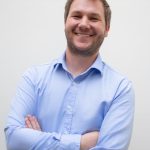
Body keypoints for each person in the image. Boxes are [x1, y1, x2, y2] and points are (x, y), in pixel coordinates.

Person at [4, 0, 134, 149]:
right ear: (65, 22)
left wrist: (37, 142)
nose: (84, 24)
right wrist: (81, 143)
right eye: (77, 16)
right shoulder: (33, 78)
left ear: (107, 29)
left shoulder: (120, 89)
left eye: (93, 18)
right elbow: (14, 140)